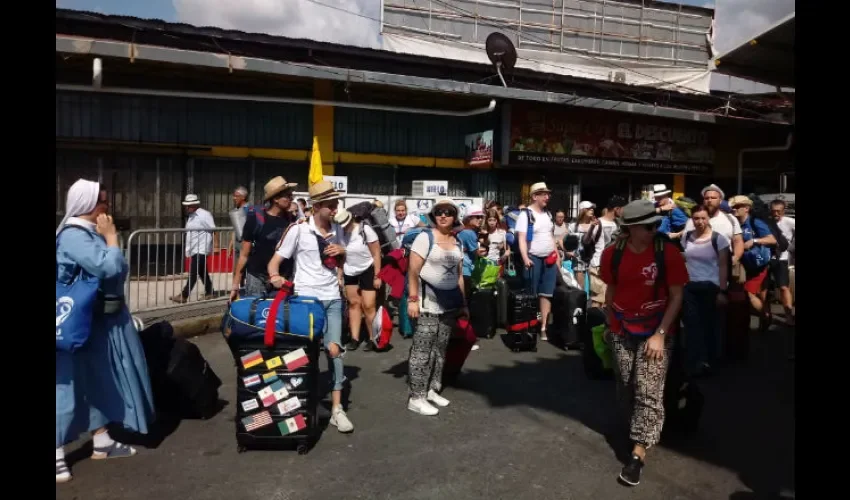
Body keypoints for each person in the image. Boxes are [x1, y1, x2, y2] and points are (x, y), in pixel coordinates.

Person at [56, 179, 155, 483]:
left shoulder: (85, 233)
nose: (107, 206)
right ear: (87, 205)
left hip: (94, 321)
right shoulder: (74, 236)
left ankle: (102, 440)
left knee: (97, 379)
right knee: (66, 386)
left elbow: (117, 268)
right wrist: (112, 238)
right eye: (103, 202)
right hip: (75, 323)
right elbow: (109, 268)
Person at [599, 199, 688, 487]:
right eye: (649, 226)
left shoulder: (669, 254)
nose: (655, 229)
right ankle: (636, 426)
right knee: (626, 382)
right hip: (621, 328)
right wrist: (608, 323)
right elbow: (610, 289)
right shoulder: (613, 254)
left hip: (657, 331)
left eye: (656, 224)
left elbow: (677, 296)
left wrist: (660, 335)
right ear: (631, 228)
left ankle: (638, 452)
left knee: (649, 388)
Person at [267, 180, 353, 433]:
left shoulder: (338, 228)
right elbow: (274, 263)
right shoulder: (298, 230)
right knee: (304, 354)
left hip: (332, 298)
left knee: (335, 350)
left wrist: (343, 252)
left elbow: (340, 261)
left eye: (336, 204)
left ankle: (337, 409)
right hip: (305, 301)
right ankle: (302, 403)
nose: (335, 209)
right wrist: (276, 278)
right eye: (331, 205)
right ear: (317, 206)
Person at [406, 199, 468, 416]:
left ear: (454, 217)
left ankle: (432, 389)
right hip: (428, 302)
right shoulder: (426, 237)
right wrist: (413, 299)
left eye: (448, 212)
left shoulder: (457, 241)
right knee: (422, 350)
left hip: (449, 303)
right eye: (439, 212)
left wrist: (463, 303)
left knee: (440, 349)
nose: (443, 216)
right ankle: (416, 397)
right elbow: (413, 270)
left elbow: (459, 275)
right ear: (434, 216)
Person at [681, 205, 730, 377]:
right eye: (696, 218)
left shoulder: (719, 239)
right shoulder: (686, 237)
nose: (700, 222)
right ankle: (696, 362)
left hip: (711, 287)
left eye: (703, 218)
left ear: (708, 218)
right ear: (692, 220)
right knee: (692, 326)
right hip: (690, 288)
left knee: (711, 325)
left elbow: (723, 266)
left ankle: (710, 361)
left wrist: (722, 291)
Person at [230, 176, 298, 300]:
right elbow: (244, 254)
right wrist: (236, 284)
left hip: (283, 279)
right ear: (276, 199)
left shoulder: (292, 220)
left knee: (280, 317)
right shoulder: (256, 218)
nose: (291, 199)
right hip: (257, 278)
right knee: (256, 316)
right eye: (288, 196)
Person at [334, 208, 382, 351]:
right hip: (350, 269)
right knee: (354, 304)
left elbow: (376, 253)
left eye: (346, 223)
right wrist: (340, 274)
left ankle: (373, 338)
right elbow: (342, 255)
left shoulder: (365, 229)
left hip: (368, 269)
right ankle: (355, 338)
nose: (344, 226)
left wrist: (377, 276)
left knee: (368, 306)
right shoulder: (340, 232)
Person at [515, 183, 558, 341]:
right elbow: (521, 238)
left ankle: (543, 326)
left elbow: (551, 236)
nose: (547, 197)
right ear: (534, 196)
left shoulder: (548, 214)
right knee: (531, 293)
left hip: (549, 258)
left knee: (546, 293)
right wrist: (525, 257)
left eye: (548, 194)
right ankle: (530, 324)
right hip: (533, 258)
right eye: (543, 194)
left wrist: (556, 256)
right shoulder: (525, 215)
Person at [172, 194, 217, 303]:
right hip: (194, 248)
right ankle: (210, 291)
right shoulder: (191, 216)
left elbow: (214, 230)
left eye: (189, 205)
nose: (187, 208)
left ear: (195, 205)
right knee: (202, 272)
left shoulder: (205, 215)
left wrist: (216, 246)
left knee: (193, 272)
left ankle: (184, 295)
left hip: (201, 248)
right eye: (186, 206)